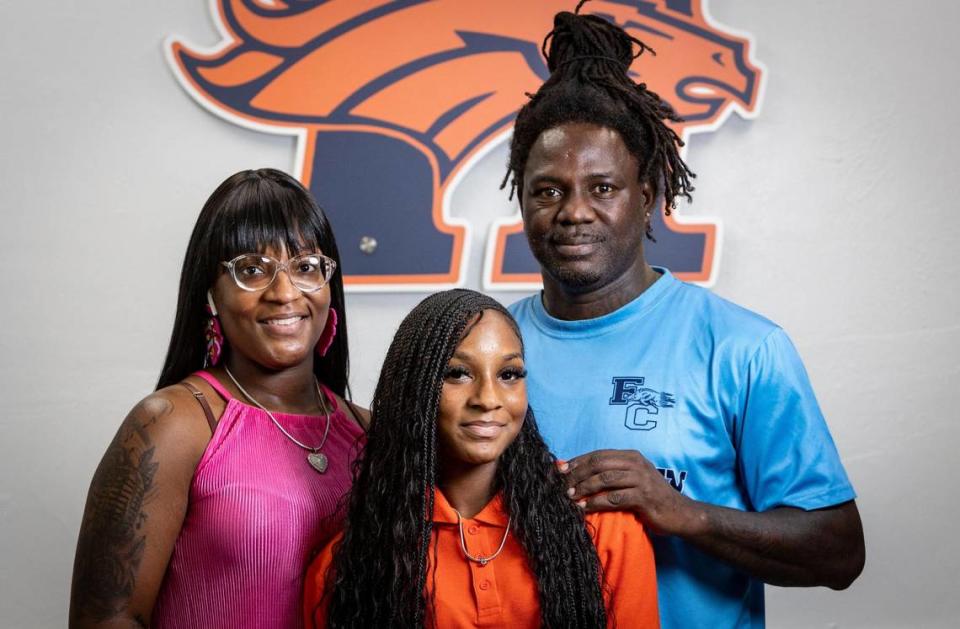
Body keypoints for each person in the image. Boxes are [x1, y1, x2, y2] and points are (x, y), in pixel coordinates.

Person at [501, 5, 866, 629]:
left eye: (603, 188)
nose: (573, 212)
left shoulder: (743, 347)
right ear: (523, 198)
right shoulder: (487, 350)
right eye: (548, 189)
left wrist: (681, 511)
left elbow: (839, 551)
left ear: (647, 198)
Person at [69, 168, 368, 628]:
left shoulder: (371, 432)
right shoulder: (171, 425)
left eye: (306, 267)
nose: (285, 293)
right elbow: (105, 619)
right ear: (210, 292)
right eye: (252, 270)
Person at [304, 289, 659, 628]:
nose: (488, 398)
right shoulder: (349, 566)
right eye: (457, 373)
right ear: (412, 390)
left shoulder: (603, 527)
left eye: (509, 374)